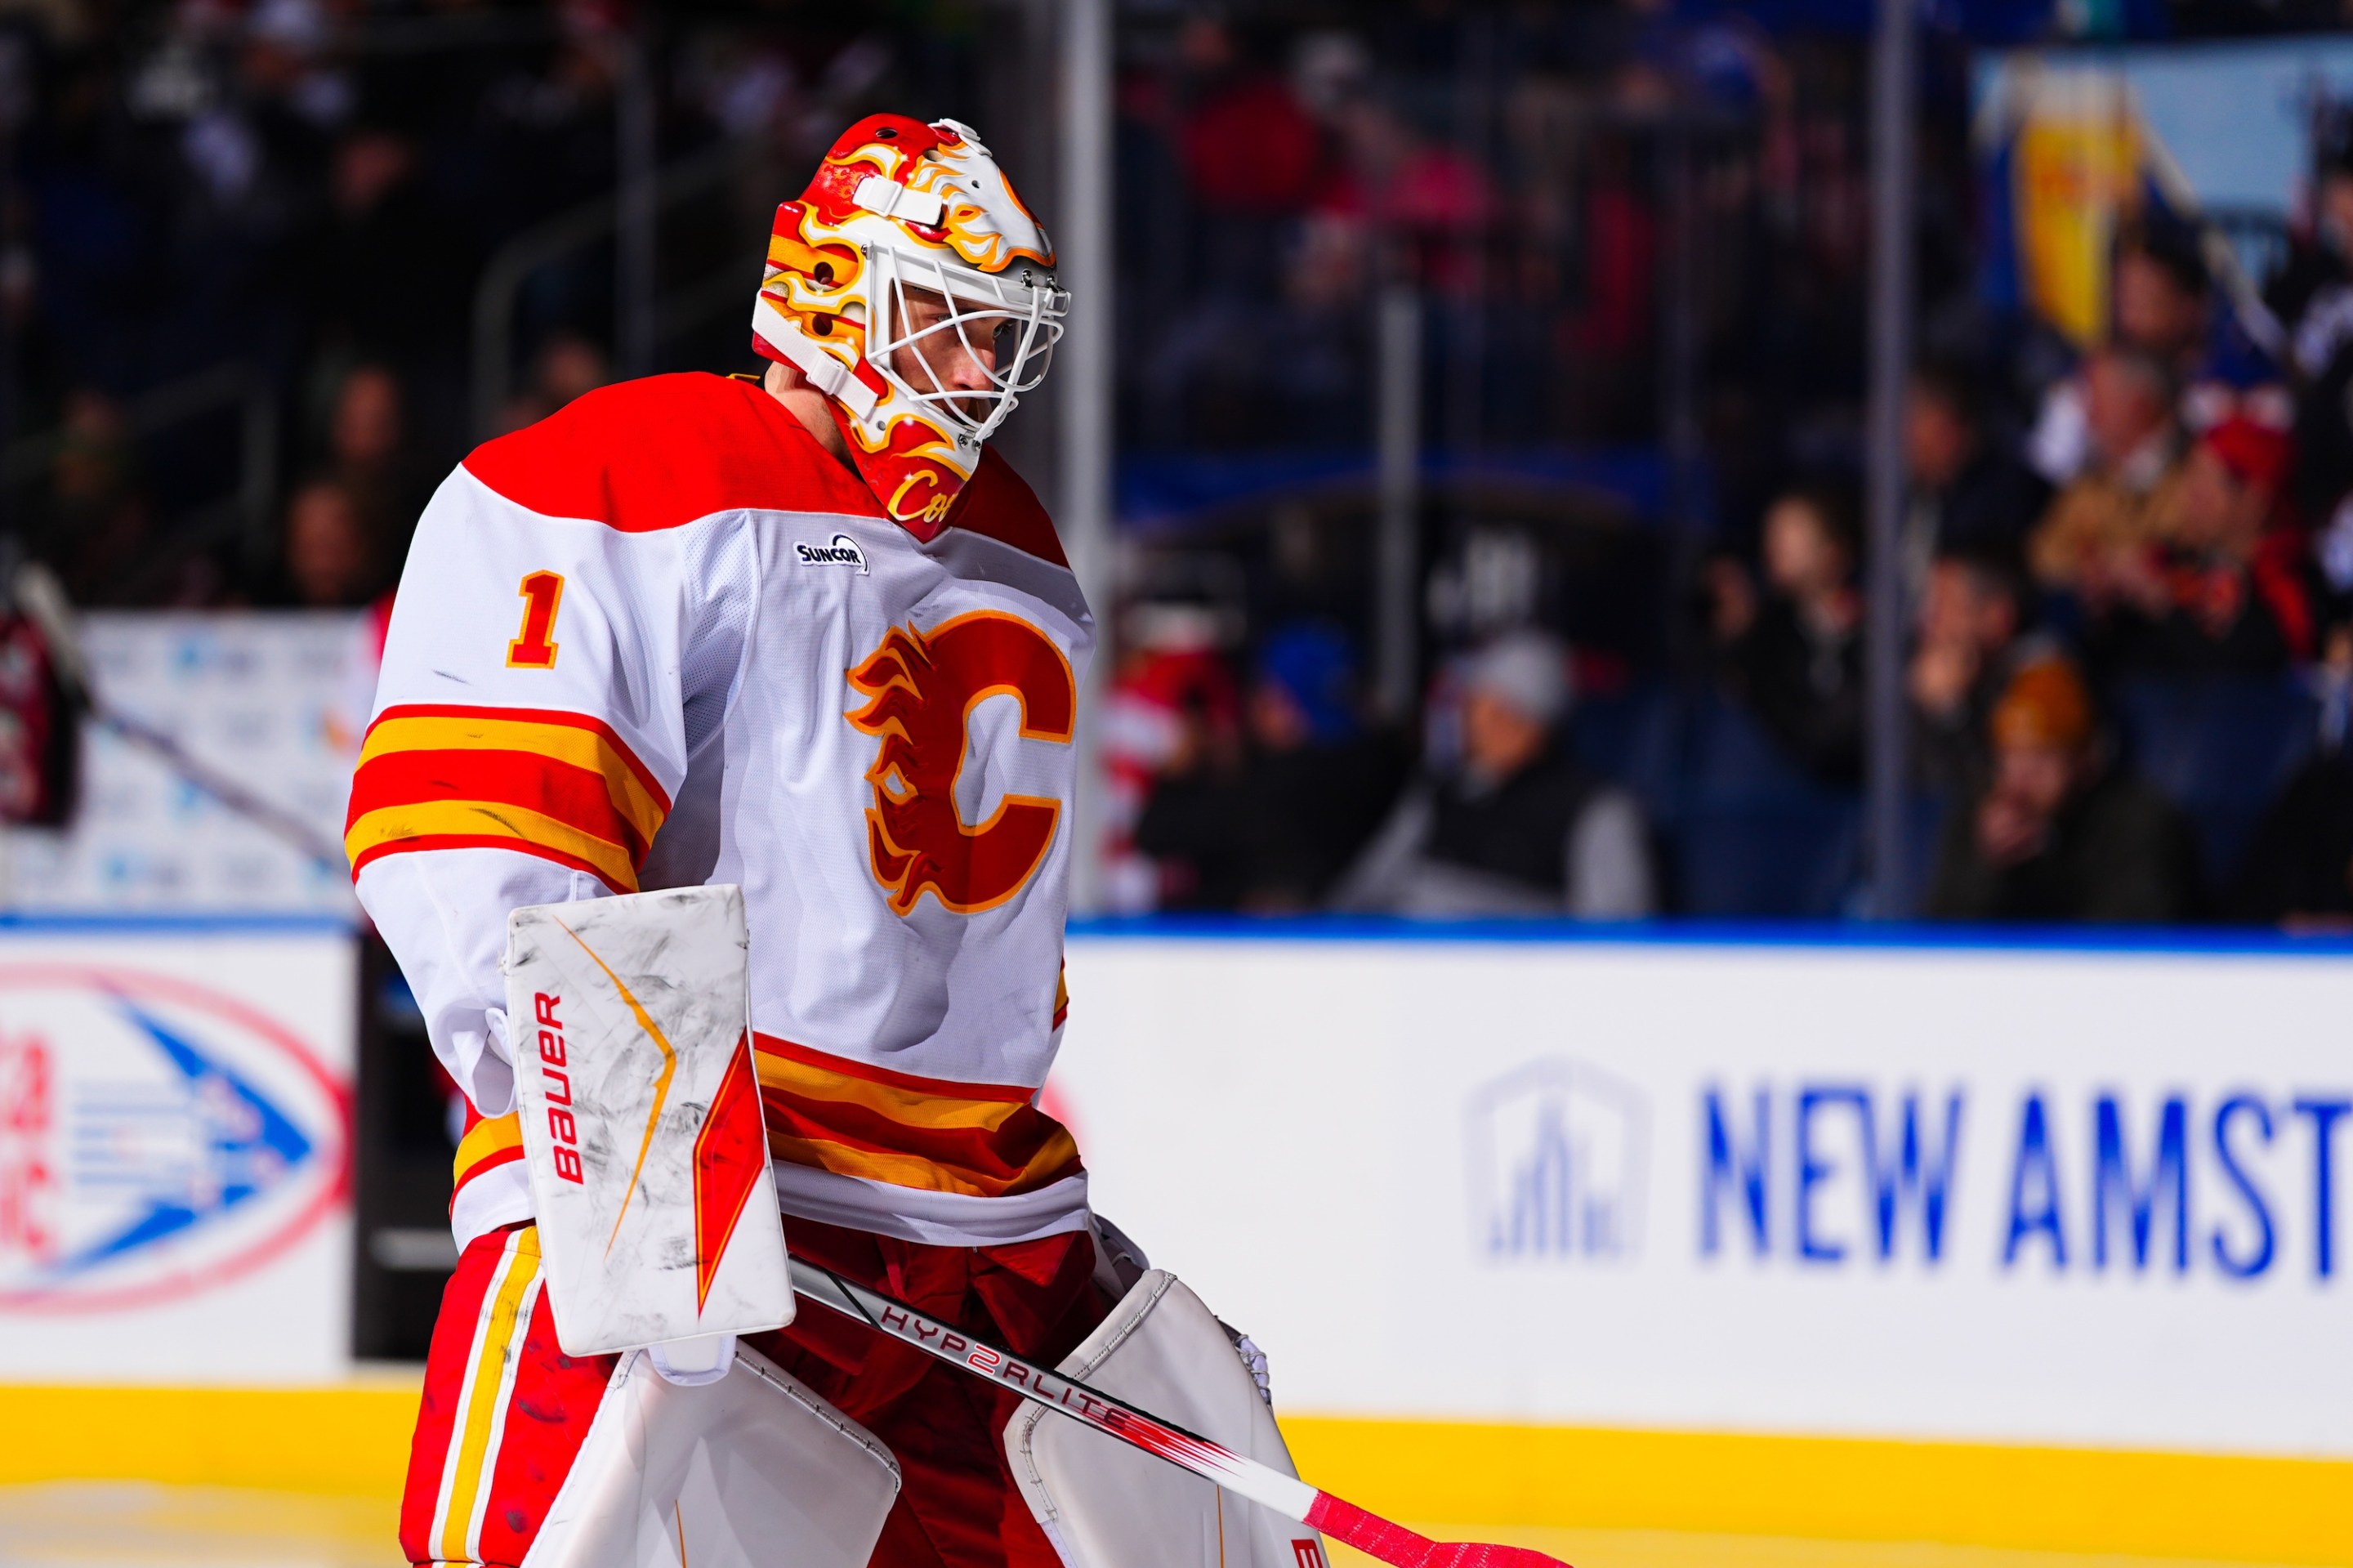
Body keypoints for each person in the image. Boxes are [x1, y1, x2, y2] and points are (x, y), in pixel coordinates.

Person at [353, 116, 1182, 1568]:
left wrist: (1006, 1220)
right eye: (944, 323)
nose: (978, 374)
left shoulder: (1015, 541)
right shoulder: (636, 468)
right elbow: (489, 843)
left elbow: (991, 957)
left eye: (997, 338)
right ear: (823, 293)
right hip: (723, 1197)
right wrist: (643, 1168)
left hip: (940, 1242)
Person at [1333, 629, 1654, 918]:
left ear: (1542, 725)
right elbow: (1366, 891)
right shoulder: (1440, 794)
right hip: (1410, 969)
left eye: (1510, 712)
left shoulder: (1597, 809)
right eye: (1481, 708)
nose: (1488, 725)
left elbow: (1615, 939)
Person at [1135, 619, 1403, 910]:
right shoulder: (1386, 771)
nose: (1253, 708)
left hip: (1278, 950)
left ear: (1286, 706)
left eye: (1264, 695)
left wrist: (1181, 771)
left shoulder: (1277, 793)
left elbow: (1155, 833)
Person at [1924, 656, 2202, 923]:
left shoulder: (2140, 824)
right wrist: (1984, 867)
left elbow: (2127, 940)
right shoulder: (1980, 820)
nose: (2022, 777)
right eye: (2011, 757)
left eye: (2042, 757)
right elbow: (1936, 940)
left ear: (2087, 759)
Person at [2087, 416, 2314, 674]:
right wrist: (2106, 605)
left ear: (2256, 498)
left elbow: (2241, 673)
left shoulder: (2289, 587)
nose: (2192, 496)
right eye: (2192, 477)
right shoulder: (2176, 560)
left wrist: (2162, 605)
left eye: (2208, 486)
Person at [1708, 485, 1864, 785]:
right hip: (1784, 793)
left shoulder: (1876, 630)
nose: (1774, 545)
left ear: (1834, 552)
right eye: (1772, 532)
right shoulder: (1765, 633)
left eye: (1791, 533)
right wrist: (1736, 638)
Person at [2026, 343, 2186, 597]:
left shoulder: (2194, 469)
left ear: (2139, 404)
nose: (2089, 416)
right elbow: (2044, 555)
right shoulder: (2089, 484)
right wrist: (2094, 568)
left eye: (2097, 401)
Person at [1907, 545, 2038, 796]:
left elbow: (1970, 797)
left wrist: (1947, 708)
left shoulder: (2037, 681)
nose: (1927, 623)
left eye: (1942, 606)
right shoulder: (1918, 671)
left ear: (1997, 616)